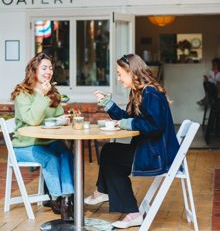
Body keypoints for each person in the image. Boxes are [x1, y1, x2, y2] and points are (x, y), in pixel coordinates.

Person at [84, 54, 180, 229]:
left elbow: (154, 125)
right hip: (151, 150)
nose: (119, 78)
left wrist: (126, 123)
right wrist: (108, 104)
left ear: (132, 72)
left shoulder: (150, 93)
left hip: (157, 155)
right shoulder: (139, 92)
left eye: (120, 74)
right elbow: (127, 119)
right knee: (109, 151)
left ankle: (118, 203)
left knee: (111, 157)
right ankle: (104, 193)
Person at [10, 52, 74, 222]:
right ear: (34, 70)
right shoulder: (22, 93)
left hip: (47, 141)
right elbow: (33, 119)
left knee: (67, 154)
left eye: (51, 68)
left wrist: (62, 119)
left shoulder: (52, 91)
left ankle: (68, 199)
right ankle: (57, 199)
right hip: (24, 146)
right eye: (44, 68)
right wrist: (42, 96)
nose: (48, 72)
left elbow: (58, 114)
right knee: (51, 158)